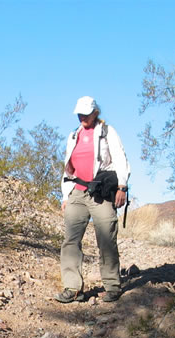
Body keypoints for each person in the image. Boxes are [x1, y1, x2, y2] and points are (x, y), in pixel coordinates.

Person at [55, 96, 131, 303]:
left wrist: (122, 187)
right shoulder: (73, 136)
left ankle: (112, 286)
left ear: (95, 112)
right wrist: (66, 195)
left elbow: (120, 159)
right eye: (79, 114)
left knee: (106, 238)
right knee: (71, 240)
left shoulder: (107, 132)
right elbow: (68, 167)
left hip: (101, 192)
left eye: (86, 114)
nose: (82, 118)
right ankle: (72, 287)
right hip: (77, 191)